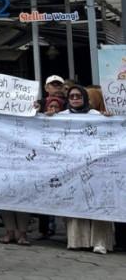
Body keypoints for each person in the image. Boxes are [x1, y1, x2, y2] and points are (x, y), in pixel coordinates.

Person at [53, 85, 115, 254]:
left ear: (86, 98)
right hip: (72, 168)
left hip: (96, 167)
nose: (75, 99)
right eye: (72, 96)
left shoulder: (96, 116)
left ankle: (100, 242)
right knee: (76, 200)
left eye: (78, 96)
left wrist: (110, 119)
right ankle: (77, 240)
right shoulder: (60, 117)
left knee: (98, 201)